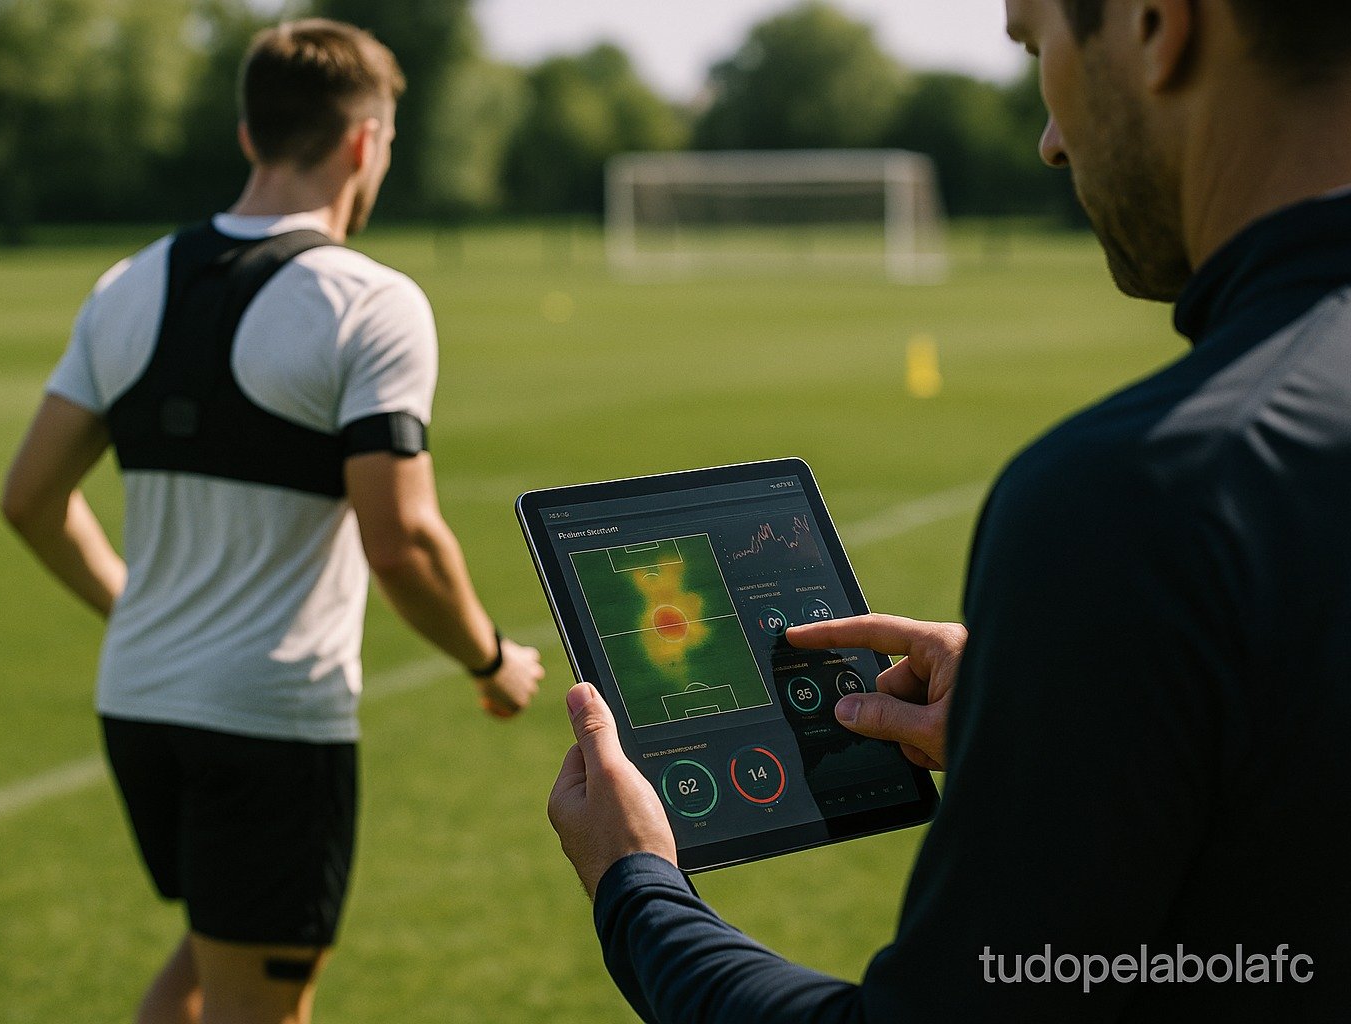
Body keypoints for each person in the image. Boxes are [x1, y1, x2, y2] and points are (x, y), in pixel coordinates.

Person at [548, 0, 1351, 1019]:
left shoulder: (1159, 489)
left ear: (1157, 23)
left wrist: (638, 888)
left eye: (1036, 47)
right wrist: (1083, 725)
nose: (1051, 141)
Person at [1, 18, 543, 1024]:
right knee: (261, 1005)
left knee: (213, 959)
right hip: (265, 720)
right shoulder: (369, 302)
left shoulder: (126, 284)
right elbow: (406, 541)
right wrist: (488, 660)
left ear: (249, 135)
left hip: (140, 703)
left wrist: (132, 603)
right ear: (364, 143)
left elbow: (28, 500)